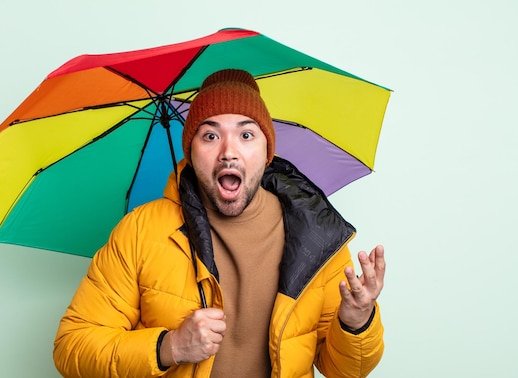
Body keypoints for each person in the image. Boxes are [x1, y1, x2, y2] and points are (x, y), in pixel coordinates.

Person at [53, 69, 386, 377]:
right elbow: (72, 347)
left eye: (246, 134)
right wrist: (170, 347)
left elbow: (345, 371)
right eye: (210, 136)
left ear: (267, 150)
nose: (229, 151)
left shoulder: (316, 236)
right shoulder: (140, 231)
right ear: (191, 152)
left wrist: (356, 322)